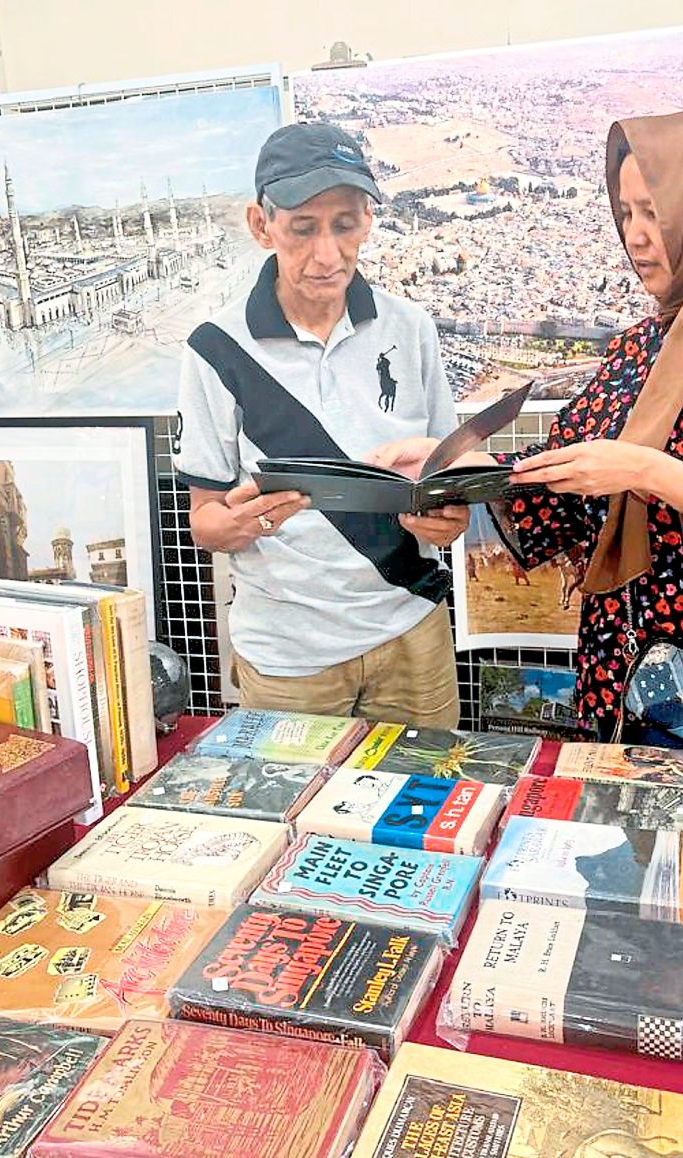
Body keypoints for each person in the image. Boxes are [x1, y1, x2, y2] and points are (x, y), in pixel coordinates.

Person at [372, 110, 683, 1158]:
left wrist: (658, 472)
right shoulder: (643, 346)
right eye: (622, 213)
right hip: (626, 700)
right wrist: (455, 496)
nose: (636, 234)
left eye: (652, 211)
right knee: (651, 935)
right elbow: (549, 493)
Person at [172, 122, 468, 726]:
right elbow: (204, 519)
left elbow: (448, 474)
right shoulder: (214, 350)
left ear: (367, 222)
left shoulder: (410, 329)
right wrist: (235, 524)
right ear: (263, 226)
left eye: (345, 225)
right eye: (303, 229)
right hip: (288, 657)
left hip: (414, 631)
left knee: (424, 809)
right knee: (293, 812)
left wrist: (449, 517)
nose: (327, 255)